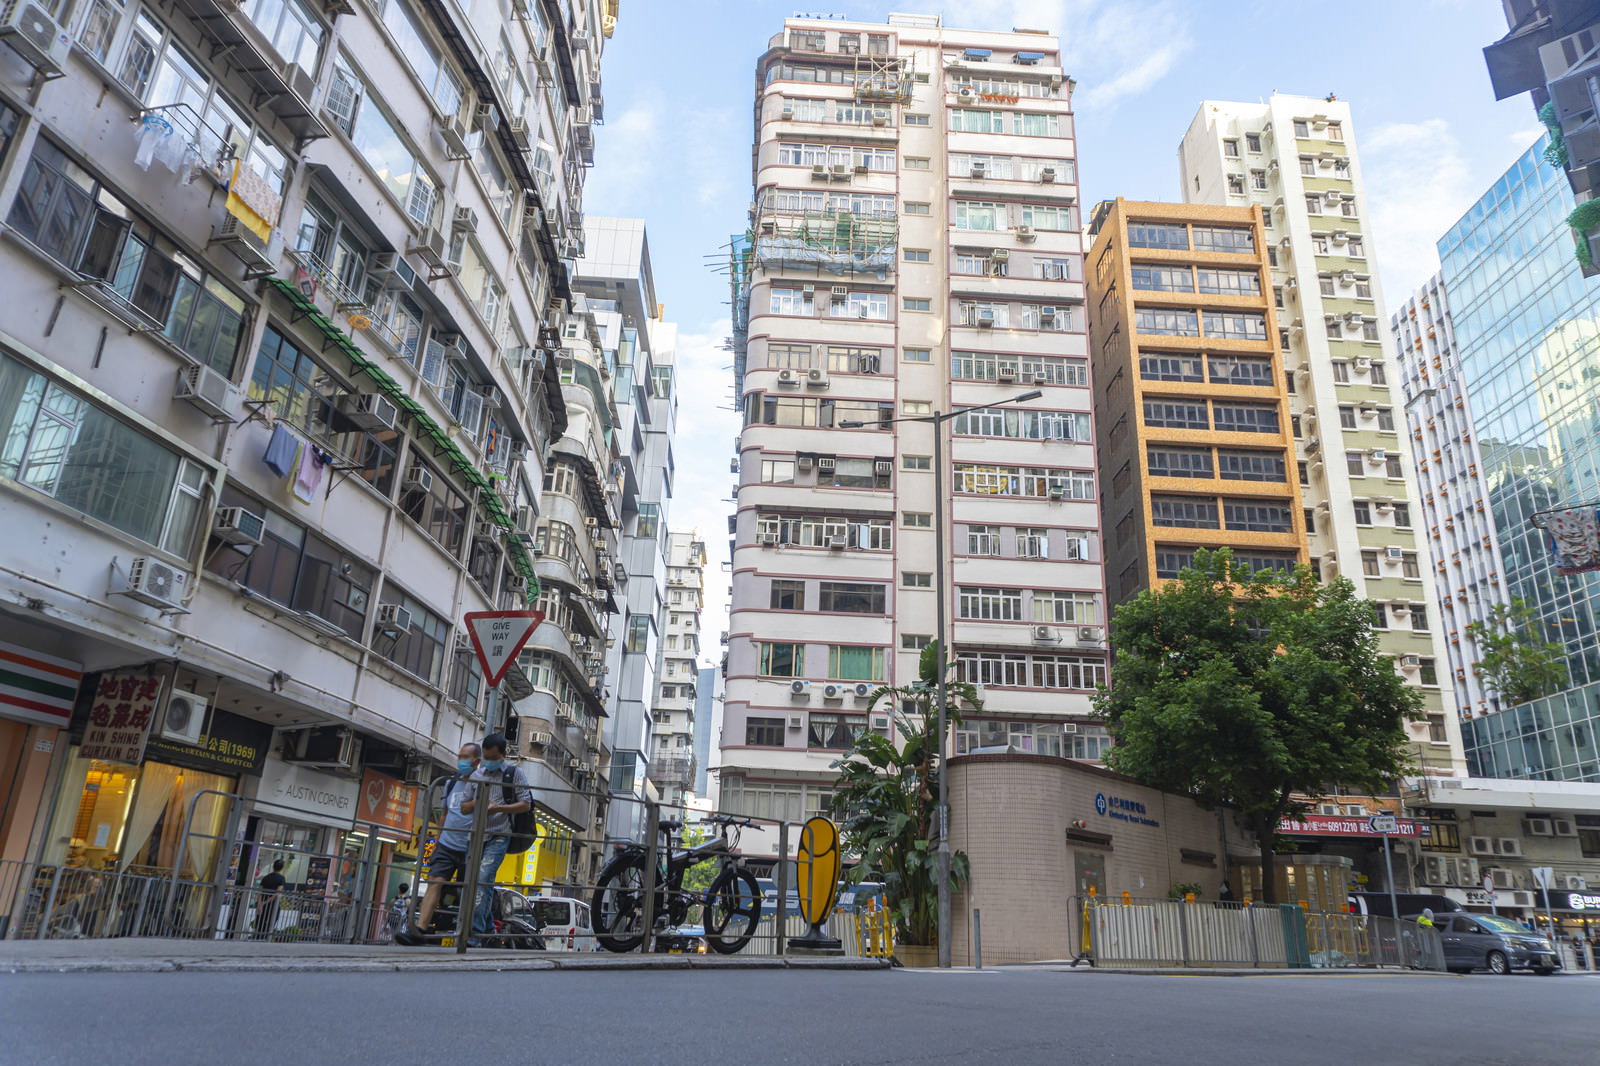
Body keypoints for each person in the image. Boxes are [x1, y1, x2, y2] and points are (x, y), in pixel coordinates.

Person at [457, 734, 533, 944]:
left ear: (503, 755)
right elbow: (463, 807)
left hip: (500, 834)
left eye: (493, 758)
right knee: (478, 883)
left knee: (482, 878)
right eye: (486, 757)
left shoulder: (514, 774)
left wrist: (499, 808)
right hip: (477, 835)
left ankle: (473, 935)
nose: (489, 762)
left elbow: (526, 803)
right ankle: (489, 930)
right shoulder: (477, 776)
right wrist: (479, 802)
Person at [413, 743, 481, 938]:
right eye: (459, 756)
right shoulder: (451, 782)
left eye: (465, 757)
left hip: (470, 846)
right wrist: (437, 841)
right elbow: (444, 813)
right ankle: (420, 928)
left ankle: (466, 934)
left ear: (476, 762)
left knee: (466, 892)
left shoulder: (483, 784)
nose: (461, 761)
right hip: (447, 844)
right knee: (435, 882)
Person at [256, 859, 287, 938]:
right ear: (282, 868)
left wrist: (260, 903)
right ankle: (266, 939)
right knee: (270, 923)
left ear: (273, 867)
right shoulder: (281, 878)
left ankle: (258, 938)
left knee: (260, 924)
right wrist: (266, 902)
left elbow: (259, 891)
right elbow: (277, 893)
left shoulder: (266, 877)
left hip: (262, 905)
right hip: (273, 905)